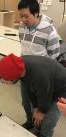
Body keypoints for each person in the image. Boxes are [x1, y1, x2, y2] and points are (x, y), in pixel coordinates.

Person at [0, 53, 66, 137]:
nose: (3, 83)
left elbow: (45, 94)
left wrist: (41, 111)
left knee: (48, 122)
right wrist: (36, 107)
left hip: (60, 90)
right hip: (45, 85)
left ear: (13, 76)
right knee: (30, 107)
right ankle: (34, 126)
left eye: (4, 80)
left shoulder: (39, 74)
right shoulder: (19, 66)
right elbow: (29, 88)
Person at [17, 0, 60, 129]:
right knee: (26, 102)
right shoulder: (22, 27)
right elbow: (23, 46)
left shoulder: (49, 31)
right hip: (25, 73)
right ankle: (30, 121)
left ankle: (39, 126)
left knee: (41, 103)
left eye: (26, 16)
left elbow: (54, 57)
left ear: (36, 14)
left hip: (41, 76)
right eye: (21, 16)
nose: (23, 19)